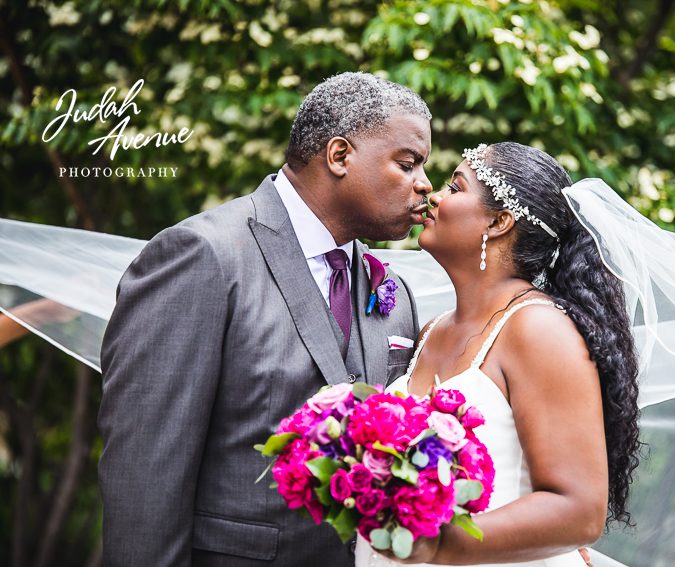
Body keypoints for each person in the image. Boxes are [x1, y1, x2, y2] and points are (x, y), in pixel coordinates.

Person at [98, 72, 432, 567]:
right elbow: (146, 470)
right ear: (339, 156)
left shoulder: (392, 290)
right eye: (407, 165)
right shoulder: (203, 256)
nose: (424, 185)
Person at [357, 142, 642, 567]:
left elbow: (580, 512)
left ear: (498, 221)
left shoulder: (538, 329)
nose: (434, 194)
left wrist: (438, 545)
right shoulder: (430, 331)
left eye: (456, 187)